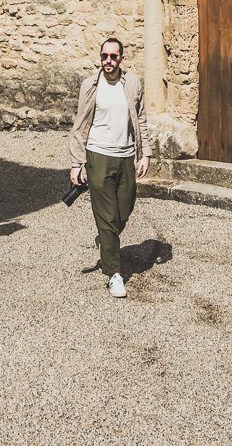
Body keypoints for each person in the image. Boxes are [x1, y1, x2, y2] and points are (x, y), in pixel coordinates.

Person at [68, 37, 151, 299]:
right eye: (104, 56)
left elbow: (142, 119)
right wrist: (76, 163)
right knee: (105, 216)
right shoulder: (90, 85)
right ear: (100, 57)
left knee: (123, 210)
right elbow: (80, 125)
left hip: (126, 156)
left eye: (114, 57)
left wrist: (144, 154)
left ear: (121, 59)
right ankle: (114, 273)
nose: (108, 61)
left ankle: (106, 240)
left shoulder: (133, 83)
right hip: (98, 156)